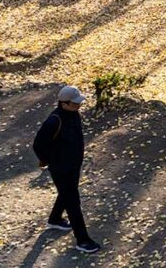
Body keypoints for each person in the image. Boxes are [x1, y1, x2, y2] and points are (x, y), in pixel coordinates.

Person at [33, 85, 100, 254]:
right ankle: (83, 240)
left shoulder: (73, 114)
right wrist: (50, 161)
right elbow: (38, 144)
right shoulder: (54, 120)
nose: (79, 105)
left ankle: (55, 219)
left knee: (68, 193)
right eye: (75, 103)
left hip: (73, 165)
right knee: (73, 202)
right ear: (64, 103)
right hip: (61, 168)